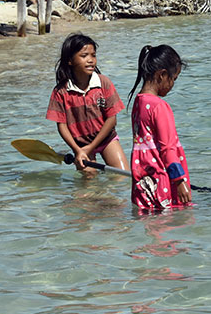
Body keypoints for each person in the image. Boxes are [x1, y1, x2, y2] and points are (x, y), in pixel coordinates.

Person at [46, 33, 128, 172]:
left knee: (122, 176)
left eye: (93, 55)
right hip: (81, 145)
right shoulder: (61, 92)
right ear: (70, 61)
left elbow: (111, 119)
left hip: (106, 139)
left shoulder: (104, 83)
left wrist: (92, 146)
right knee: (89, 184)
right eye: (84, 56)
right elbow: (62, 126)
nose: (90, 60)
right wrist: (78, 150)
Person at [128, 45, 191, 213]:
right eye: (173, 79)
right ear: (162, 75)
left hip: (142, 178)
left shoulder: (139, 102)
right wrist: (179, 181)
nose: (172, 85)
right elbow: (168, 148)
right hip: (161, 178)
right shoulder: (159, 106)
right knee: (168, 228)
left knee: (150, 224)